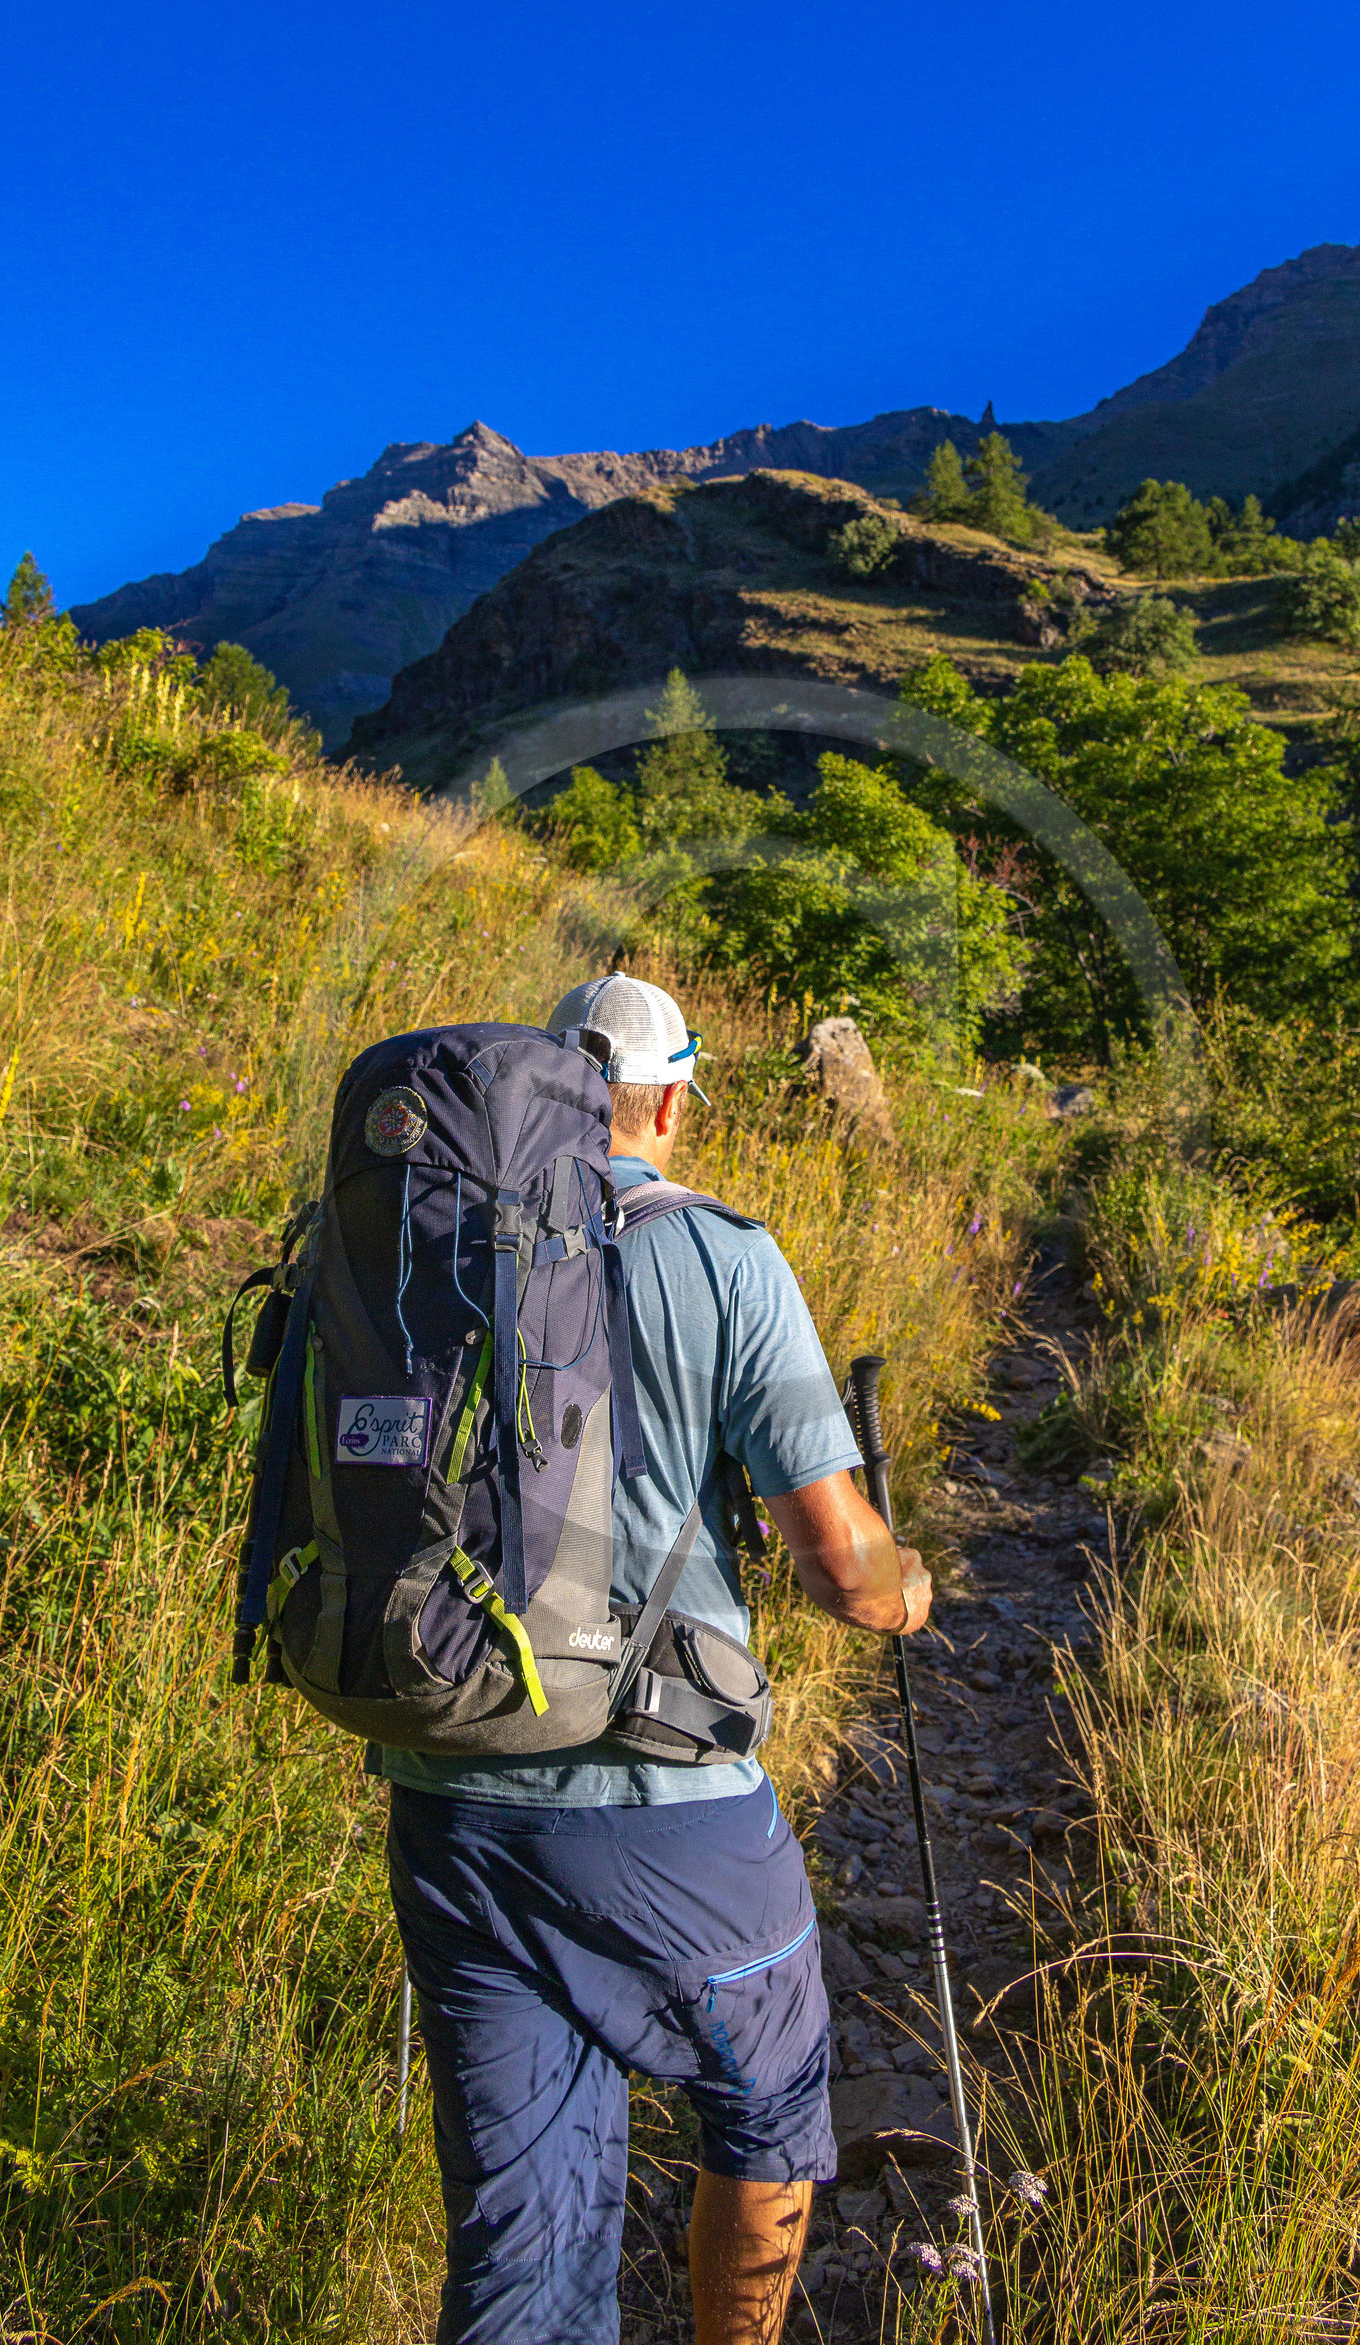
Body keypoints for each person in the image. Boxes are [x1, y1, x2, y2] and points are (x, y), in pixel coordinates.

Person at [381, 972, 932, 2345]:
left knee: (521, 2207)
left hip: (456, 1798)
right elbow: (847, 1576)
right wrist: (911, 1584)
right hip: (667, 1804)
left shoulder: (444, 1245)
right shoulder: (727, 1260)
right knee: (771, 2098)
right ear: (674, 1098)